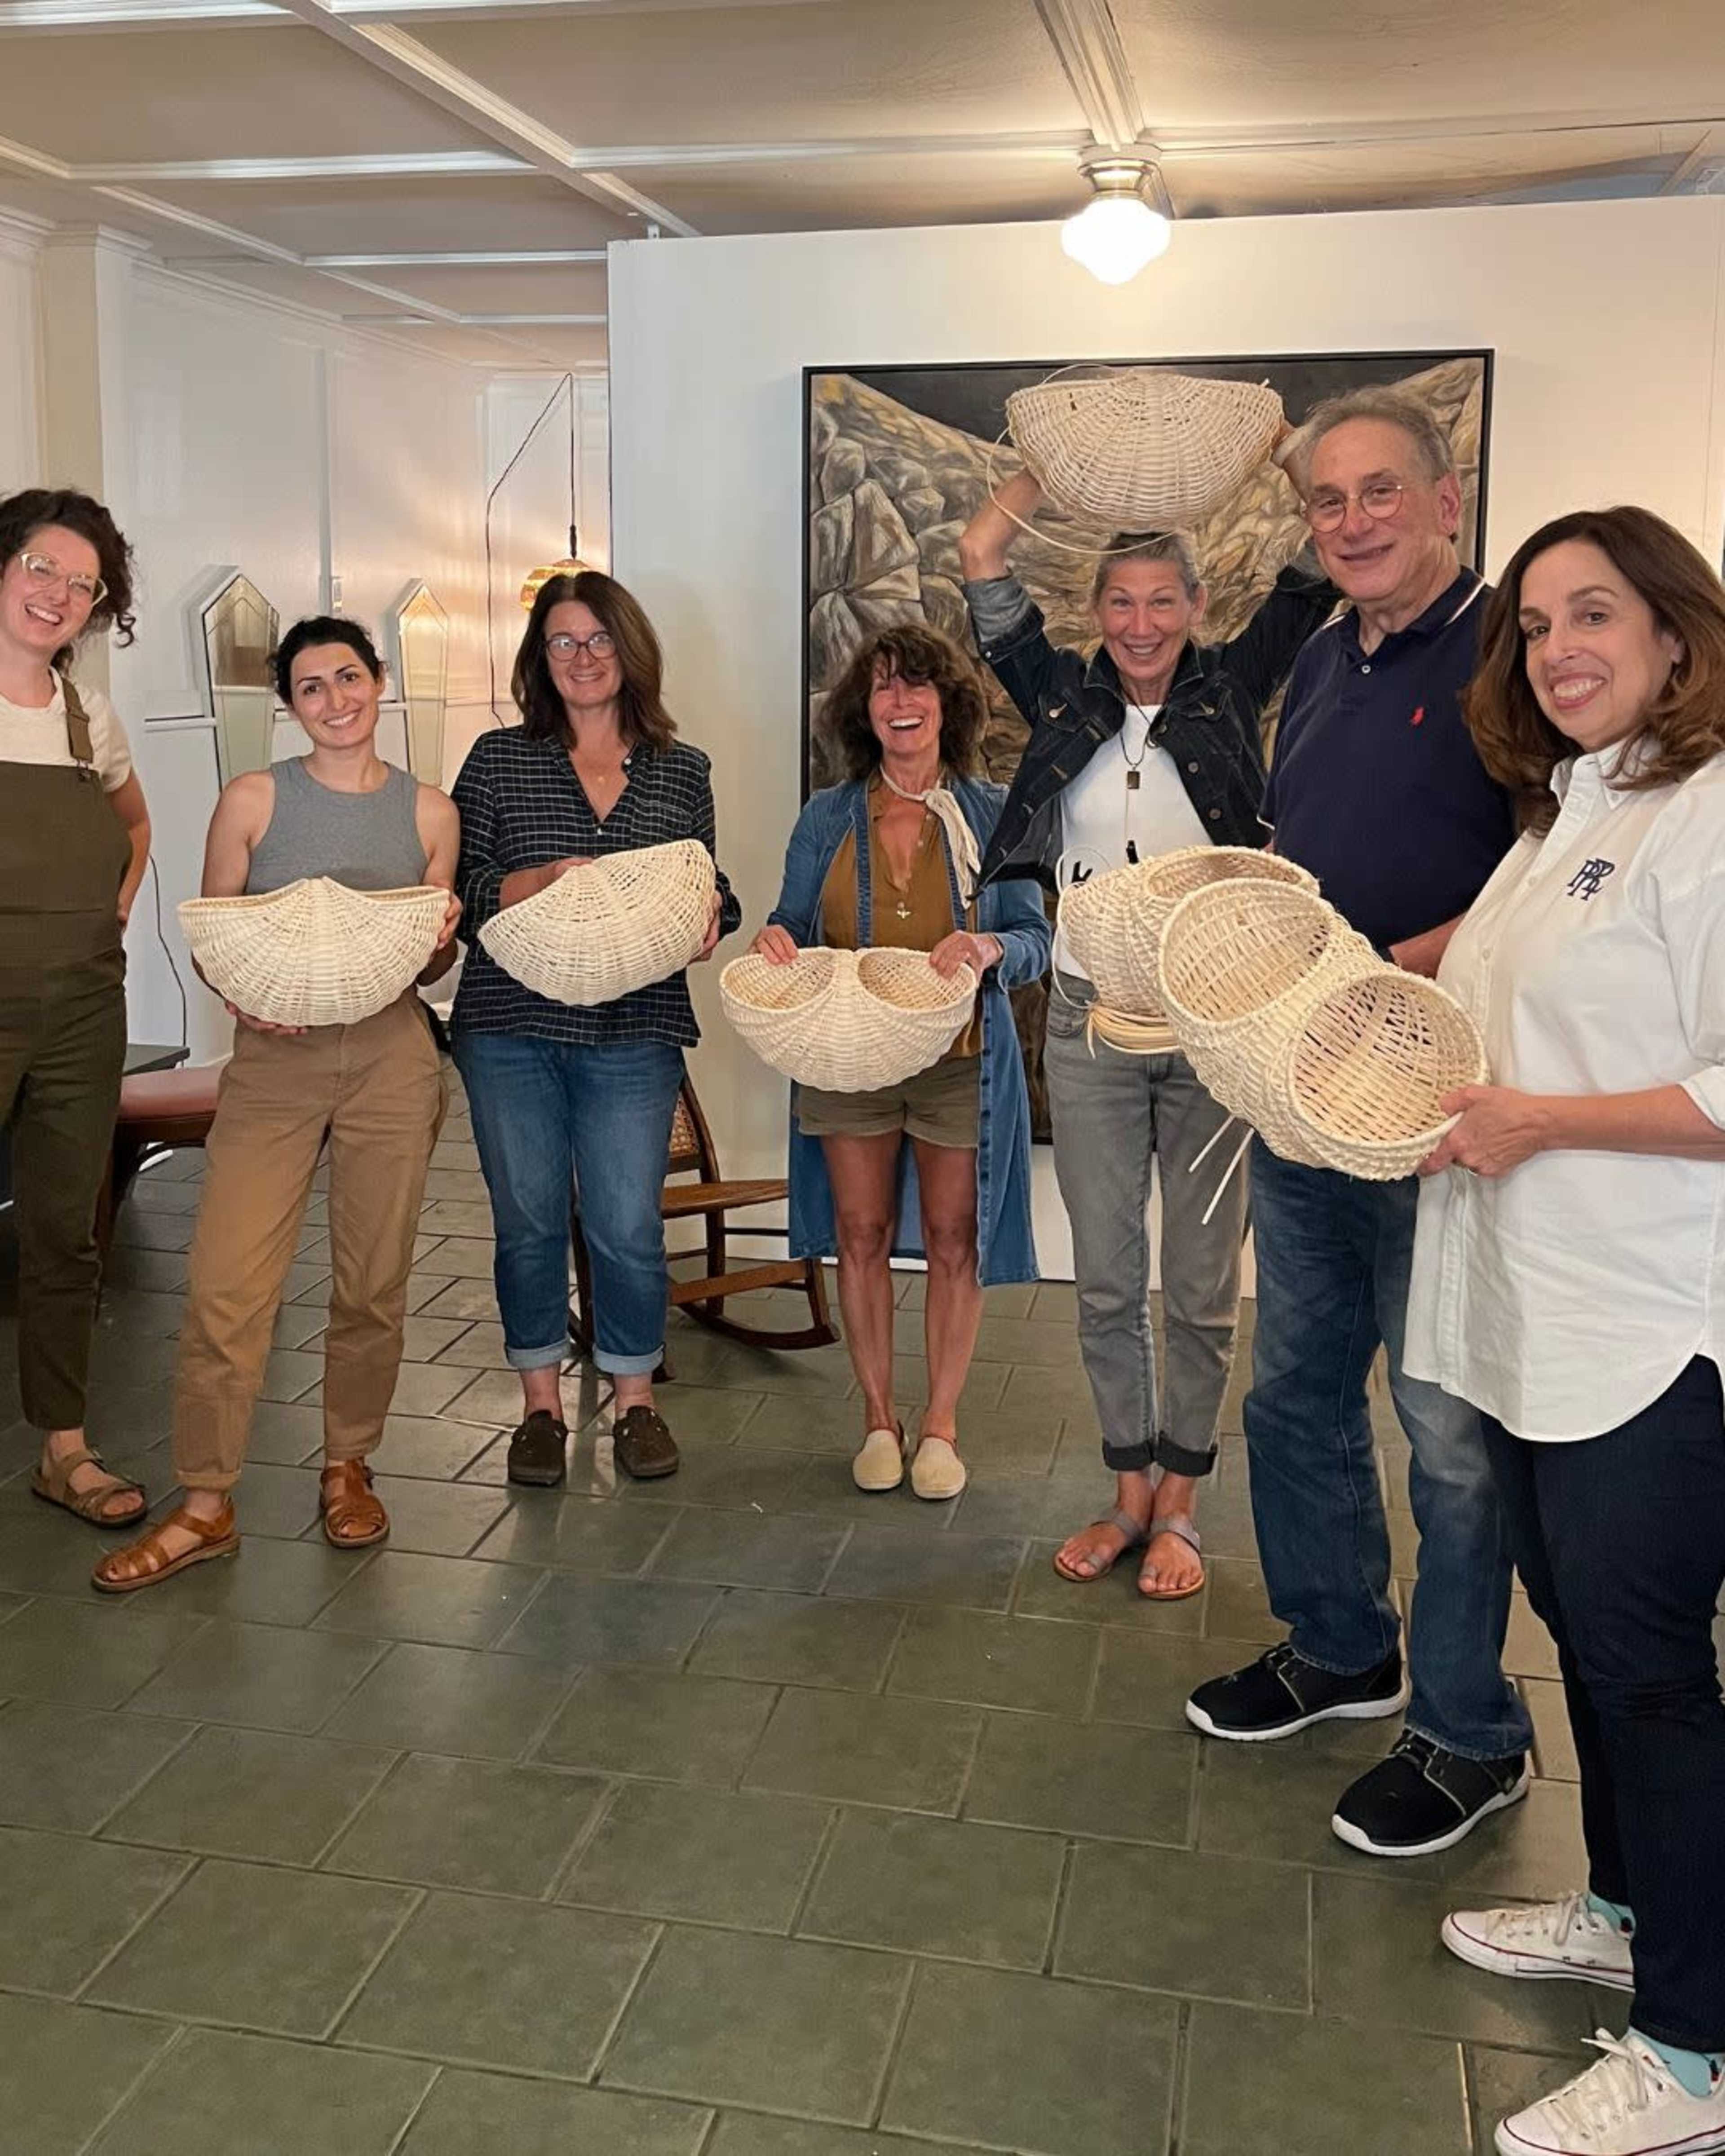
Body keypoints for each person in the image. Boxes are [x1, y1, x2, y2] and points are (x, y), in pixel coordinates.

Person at [1402, 507, 1725, 2156]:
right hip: (1529, 1314)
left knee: (1651, 1672)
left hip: (1649, 1323)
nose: (1559, 649)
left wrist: (1544, 1123)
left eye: (1594, 614)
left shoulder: (1713, 813)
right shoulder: (1567, 813)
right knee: (1583, 1637)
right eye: (1535, 626)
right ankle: (1619, 1909)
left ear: (1675, 632)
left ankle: (1693, 2053)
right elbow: (1489, 1010)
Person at [1183, 386, 1534, 1857]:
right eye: (1329, 502)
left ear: (1447, 502)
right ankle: (1341, 1647)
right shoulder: (1326, 656)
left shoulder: (1517, 655)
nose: (1353, 522)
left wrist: (1403, 970)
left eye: (1380, 493)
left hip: (1437, 1109)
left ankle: (1470, 1734)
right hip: (1306, 1098)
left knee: (1448, 1431)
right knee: (1295, 1397)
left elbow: (1556, 869)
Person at [959, 468, 1334, 1595]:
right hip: (1088, 1019)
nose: (1141, 624)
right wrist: (1041, 463)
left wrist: (1277, 449)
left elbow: (1313, 562)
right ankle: (1129, 1490)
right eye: (1120, 602)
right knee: (1113, 1278)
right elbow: (984, 559)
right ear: (1095, 616)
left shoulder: (1236, 687)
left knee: (1205, 1282)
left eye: (1163, 601)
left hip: (1218, 1023)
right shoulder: (1060, 695)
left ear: (1198, 609)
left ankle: (1185, 1501)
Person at [93, 617, 460, 1589]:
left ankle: (349, 1466)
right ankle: (206, 1502)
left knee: (371, 1282)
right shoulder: (253, 799)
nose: (335, 699)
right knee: (226, 1285)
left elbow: (431, 956)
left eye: (349, 677)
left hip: (392, 1056)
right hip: (272, 1061)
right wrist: (253, 997)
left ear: (379, 683)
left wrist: (442, 936)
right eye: (311, 686)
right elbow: (218, 936)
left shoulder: (430, 813)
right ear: (288, 705)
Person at [450, 570, 737, 1489]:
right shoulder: (497, 759)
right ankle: (539, 1406)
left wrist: (715, 918)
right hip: (508, 1026)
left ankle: (635, 1399)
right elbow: (462, 891)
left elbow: (709, 883)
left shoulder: (681, 769)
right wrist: (541, 881)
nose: (582, 658)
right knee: (528, 1220)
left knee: (623, 1225)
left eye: (599, 640)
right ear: (541, 656)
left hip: (637, 1028)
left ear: (630, 650)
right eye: (563, 642)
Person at [753, 623, 1049, 1497]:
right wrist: (776, 939)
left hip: (961, 1061)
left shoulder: (997, 813)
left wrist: (992, 948)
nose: (901, 701)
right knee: (861, 1235)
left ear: (947, 704)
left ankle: (942, 1428)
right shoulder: (828, 816)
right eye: (884, 686)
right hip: (848, 1060)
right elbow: (794, 926)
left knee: (957, 1239)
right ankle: (879, 1420)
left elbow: (1035, 939)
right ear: (863, 710)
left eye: (917, 685)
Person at [0, 489, 153, 1530]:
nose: (60, 594)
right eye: (43, 568)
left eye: (83, 584)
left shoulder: (84, 715)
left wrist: (113, 908)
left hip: (84, 1006)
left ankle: (64, 1448)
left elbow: (134, 824)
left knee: (65, 1231)